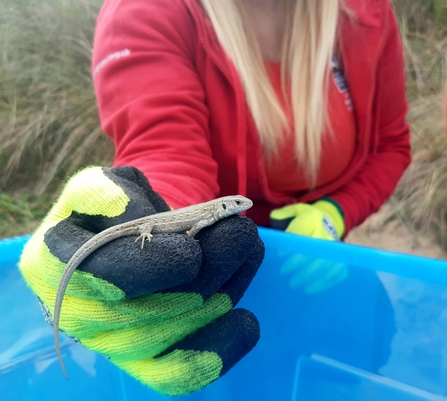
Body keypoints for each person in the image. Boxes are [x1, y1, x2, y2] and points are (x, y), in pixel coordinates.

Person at [18, 0, 411, 396]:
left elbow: (392, 145)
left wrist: (335, 213)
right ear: (226, 208)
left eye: (239, 206)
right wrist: (150, 208)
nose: (240, 208)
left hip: (315, 262)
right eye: (235, 205)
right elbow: (167, 153)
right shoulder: (146, 11)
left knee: (356, 346)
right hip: (215, 272)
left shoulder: (368, 12)